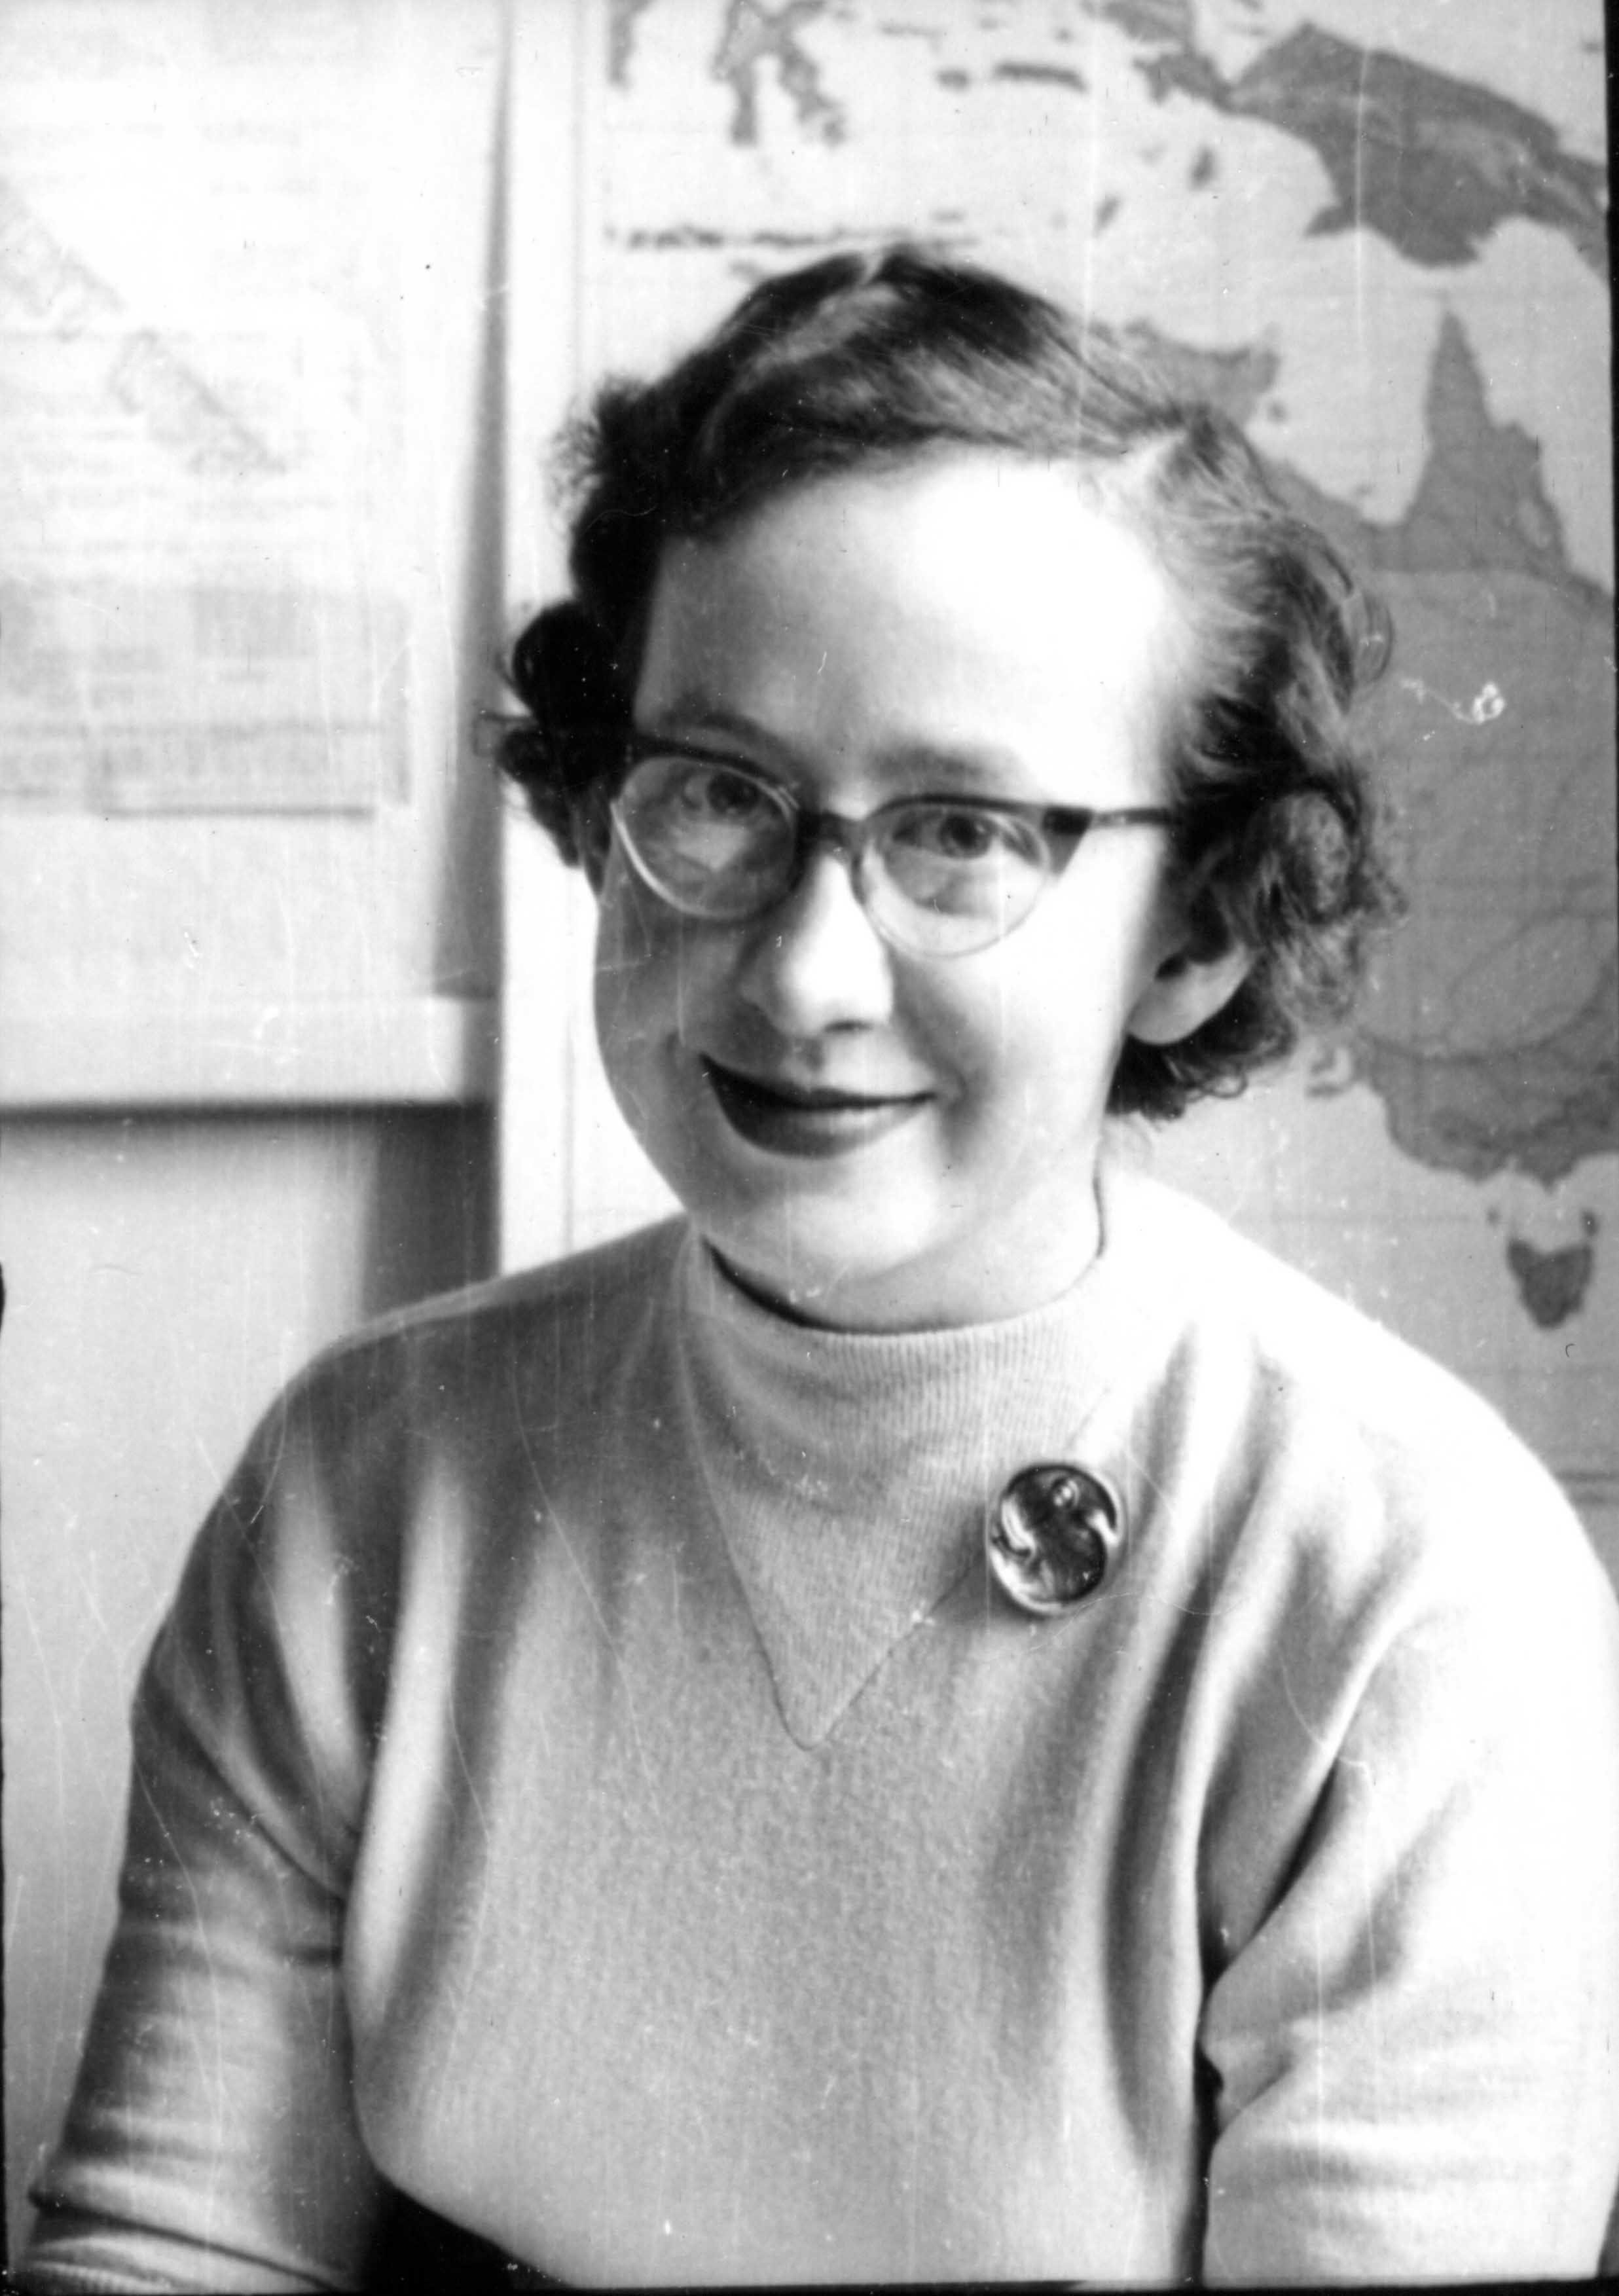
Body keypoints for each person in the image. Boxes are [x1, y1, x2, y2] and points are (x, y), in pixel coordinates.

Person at [22, 245, 1619, 2290]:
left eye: (959, 832)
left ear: (1198, 925)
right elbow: (170, 2246)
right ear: (607, 809)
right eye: (716, 796)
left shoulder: (1409, 1584)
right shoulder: (365, 1476)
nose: (796, 970)